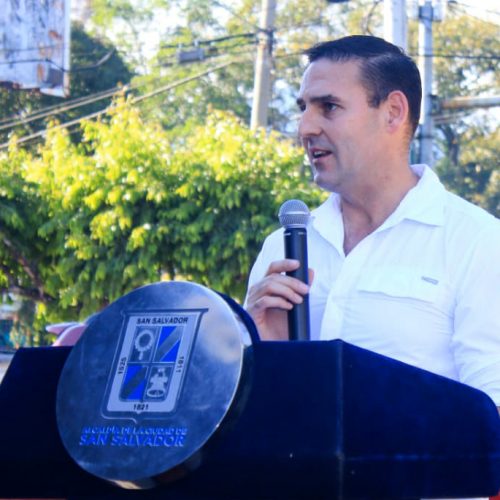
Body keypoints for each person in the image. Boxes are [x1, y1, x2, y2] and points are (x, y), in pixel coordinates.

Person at [244, 35, 500, 413]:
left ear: (393, 112)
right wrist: (255, 350)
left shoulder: (477, 242)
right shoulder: (283, 245)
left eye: (329, 107)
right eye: (303, 108)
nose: (305, 128)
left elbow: (492, 408)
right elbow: (250, 413)